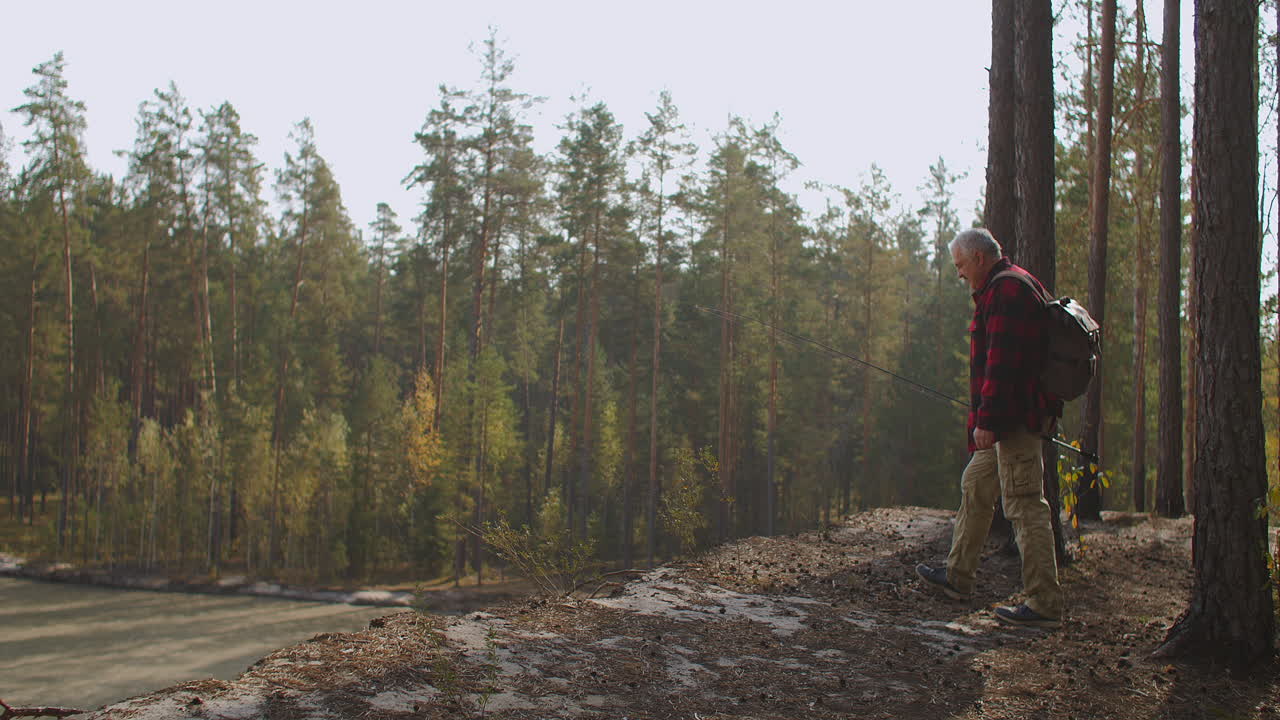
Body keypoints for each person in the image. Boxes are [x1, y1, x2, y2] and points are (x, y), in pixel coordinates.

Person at [915, 227, 1064, 628]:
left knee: (1024, 505)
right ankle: (957, 576)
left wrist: (987, 421)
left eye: (962, 266)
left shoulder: (1007, 292)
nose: (960, 275)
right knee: (976, 486)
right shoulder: (1009, 286)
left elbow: (1002, 365)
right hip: (1008, 419)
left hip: (1014, 422)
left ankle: (1044, 603)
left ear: (980, 258)